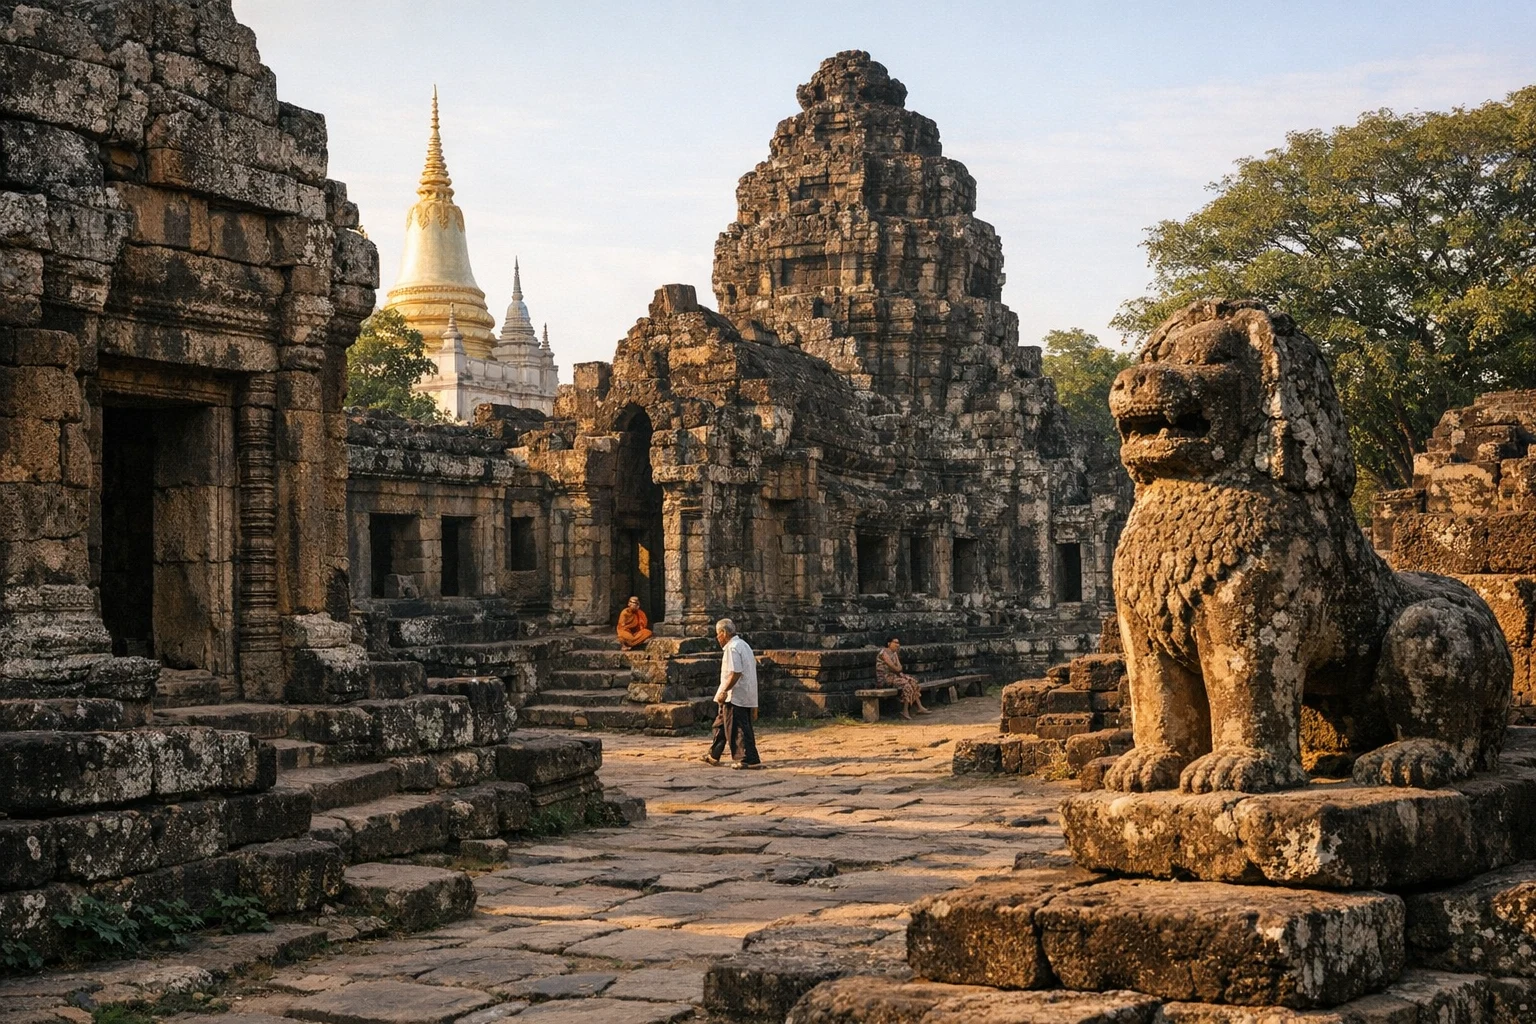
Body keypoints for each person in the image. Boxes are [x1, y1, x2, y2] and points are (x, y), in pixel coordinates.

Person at [701, 617, 762, 769]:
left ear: (724, 632)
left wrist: (725, 690)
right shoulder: (743, 645)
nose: (717, 638)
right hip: (742, 693)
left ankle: (747, 758)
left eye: (718, 634)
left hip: (735, 694)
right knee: (721, 724)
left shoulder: (732, 647)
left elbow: (736, 672)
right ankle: (714, 754)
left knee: (737, 727)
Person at [876, 637, 929, 719]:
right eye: (895, 643)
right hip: (885, 679)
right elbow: (895, 667)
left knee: (912, 681)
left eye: (898, 643)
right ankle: (905, 711)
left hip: (894, 676)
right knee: (906, 685)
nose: (898, 645)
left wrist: (898, 670)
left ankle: (919, 707)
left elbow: (899, 668)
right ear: (889, 643)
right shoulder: (883, 653)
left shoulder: (894, 653)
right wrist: (897, 669)